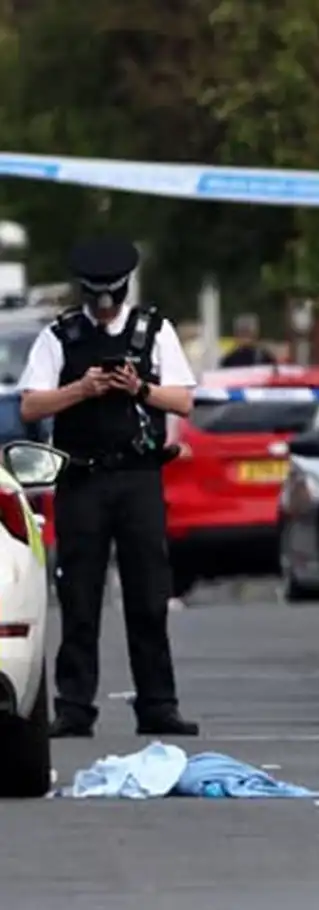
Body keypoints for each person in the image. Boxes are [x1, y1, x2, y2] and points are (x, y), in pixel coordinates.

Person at [18, 238, 200, 738]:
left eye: (111, 301)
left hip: (139, 478)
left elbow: (183, 402)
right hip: (82, 480)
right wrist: (82, 389)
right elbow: (31, 406)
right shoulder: (61, 337)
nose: (103, 311)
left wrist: (137, 387)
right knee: (78, 597)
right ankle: (75, 707)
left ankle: (158, 704)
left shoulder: (153, 332)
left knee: (147, 596)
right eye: (97, 300)